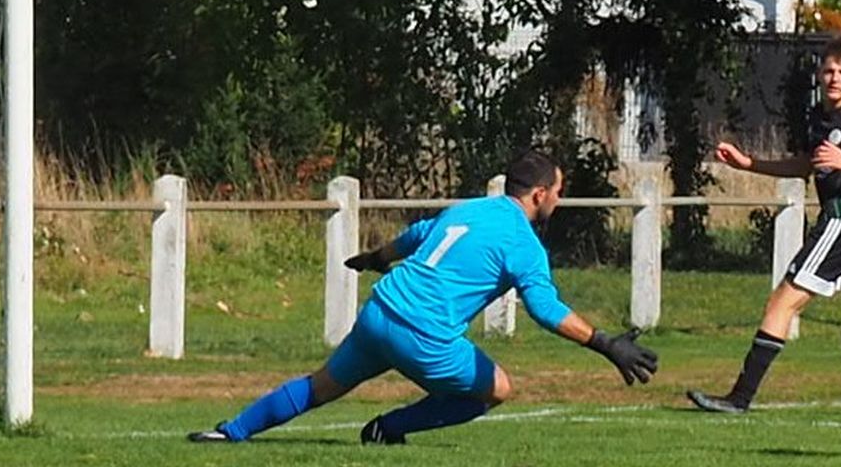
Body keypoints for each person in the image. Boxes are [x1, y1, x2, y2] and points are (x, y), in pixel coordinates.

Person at [187, 150, 659, 445]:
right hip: (424, 336)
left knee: (321, 386)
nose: (558, 198)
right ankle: (389, 428)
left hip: (379, 312)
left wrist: (377, 257)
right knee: (498, 388)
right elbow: (544, 308)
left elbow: (416, 235)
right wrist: (605, 344)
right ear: (539, 195)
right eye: (557, 191)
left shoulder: (469, 208)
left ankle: (231, 431)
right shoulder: (523, 243)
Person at [687, 36, 841, 413]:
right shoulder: (818, 117)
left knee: (782, 302)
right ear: (819, 75)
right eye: (828, 71)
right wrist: (749, 164)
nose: (834, 78)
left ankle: (739, 398)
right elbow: (806, 165)